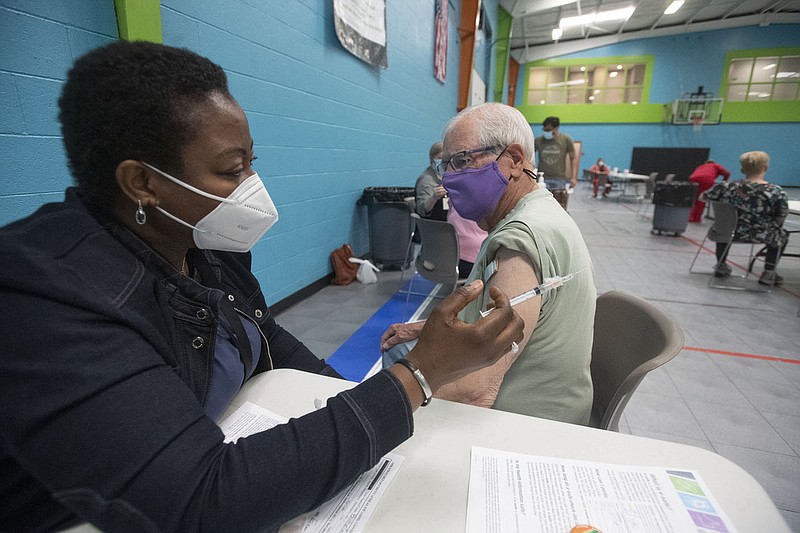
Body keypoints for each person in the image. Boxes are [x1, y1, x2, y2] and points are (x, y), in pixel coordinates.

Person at [0, 41, 525, 532]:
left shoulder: (199, 245)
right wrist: (419, 375)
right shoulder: (46, 296)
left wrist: (343, 395)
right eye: (232, 170)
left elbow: (261, 333)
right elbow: (202, 499)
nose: (252, 187)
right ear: (143, 183)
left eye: (252, 163)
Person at [382, 103, 597, 425]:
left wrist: (370, 414)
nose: (450, 178)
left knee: (392, 380)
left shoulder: (518, 242)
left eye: (463, 161)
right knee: (402, 345)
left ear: (513, 159)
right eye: (446, 165)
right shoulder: (541, 210)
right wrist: (426, 327)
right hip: (549, 401)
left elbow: (477, 390)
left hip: (523, 423)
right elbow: (492, 324)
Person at [704, 151, 788, 285]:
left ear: (742, 169)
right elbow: (781, 216)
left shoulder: (726, 187)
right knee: (781, 235)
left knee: (726, 225)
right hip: (762, 234)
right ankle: (769, 272)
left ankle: (721, 266)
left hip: (727, 232)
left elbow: (703, 197)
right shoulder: (776, 191)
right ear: (765, 167)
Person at [533, 116, 578, 189]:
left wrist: (574, 177)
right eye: (545, 130)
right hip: (542, 177)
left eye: (549, 130)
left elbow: (573, 158)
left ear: (556, 128)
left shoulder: (565, 139)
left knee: (558, 199)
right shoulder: (539, 140)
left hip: (559, 178)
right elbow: (529, 156)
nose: (546, 132)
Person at [415, 141, 448, 221]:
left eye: (445, 158)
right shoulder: (426, 180)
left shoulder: (446, 174)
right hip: (435, 225)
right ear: (432, 158)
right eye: (440, 158)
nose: (443, 161)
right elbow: (421, 210)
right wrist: (434, 197)